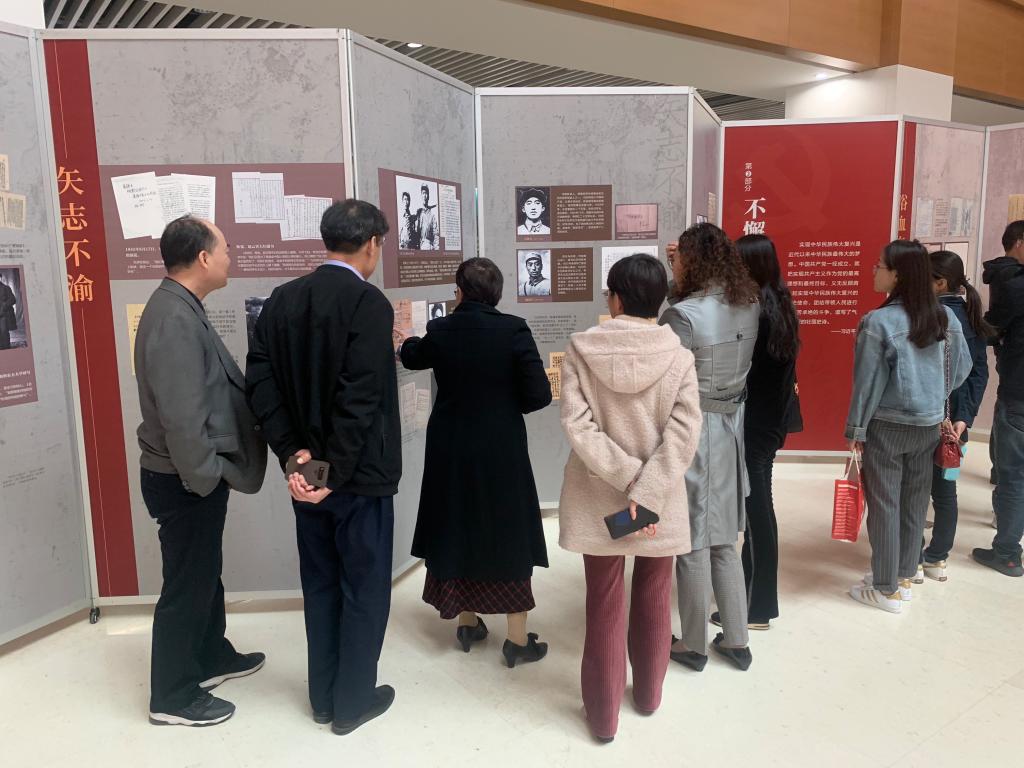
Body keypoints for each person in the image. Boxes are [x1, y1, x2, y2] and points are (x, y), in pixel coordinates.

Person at [245, 199, 401, 734]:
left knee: (320, 586)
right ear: (372, 244)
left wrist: (296, 457)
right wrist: (331, 471)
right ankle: (352, 701)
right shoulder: (369, 304)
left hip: (305, 477)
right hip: (358, 478)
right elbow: (360, 400)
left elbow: (260, 383)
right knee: (364, 589)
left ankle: (323, 698)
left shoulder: (282, 300)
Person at [559, 253, 701, 743]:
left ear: (616, 298)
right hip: (658, 502)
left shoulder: (581, 349)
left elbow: (578, 426)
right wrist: (648, 489)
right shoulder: (679, 356)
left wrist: (626, 480)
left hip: (599, 497)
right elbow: (684, 434)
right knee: (656, 593)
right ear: (659, 300)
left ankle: (603, 719)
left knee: (602, 601)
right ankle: (649, 697)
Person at [135, 215, 267, 727]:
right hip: (185, 478)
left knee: (204, 573)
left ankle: (210, 656)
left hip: (191, 474)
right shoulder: (174, 317)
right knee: (186, 585)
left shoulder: (182, 306)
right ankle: (171, 696)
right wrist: (205, 477)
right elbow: (182, 416)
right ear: (204, 257)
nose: (231, 257)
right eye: (226, 248)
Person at [399, 257, 552, 667]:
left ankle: (467, 623)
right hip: (501, 447)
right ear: (496, 294)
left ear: (460, 292)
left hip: (449, 446)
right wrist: (504, 406)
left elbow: (412, 356)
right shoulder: (514, 330)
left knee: (457, 522)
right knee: (507, 528)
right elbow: (539, 395)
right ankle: (517, 640)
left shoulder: (441, 330)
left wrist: (403, 342)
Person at [846, 240, 970, 613]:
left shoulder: (878, 322)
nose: (873, 270)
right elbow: (961, 370)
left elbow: (866, 385)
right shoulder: (944, 318)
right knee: (914, 503)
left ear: (898, 275)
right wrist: (934, 394)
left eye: (879, 265)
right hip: (929, 424)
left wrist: (856, 431)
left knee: (884, 506)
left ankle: (885, 588)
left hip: (886, 425)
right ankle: (902, 577)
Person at [660, 223, 759, 671]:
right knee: (723, 539)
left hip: (693, 429)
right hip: (732, 426)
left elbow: (667, 383)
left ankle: (694, 644)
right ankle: (736, 639)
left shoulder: (681, 316)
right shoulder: (749, 303)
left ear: (692, 260)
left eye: (680, 257)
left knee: (692, 542)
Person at [733, 234, 802, 630]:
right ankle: (750, 597)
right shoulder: (779, 302)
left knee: (757, 511)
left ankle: (758, 607)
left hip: (756, 423)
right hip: (771, 422)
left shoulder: (756, 312)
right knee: (760, 508)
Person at [920, 251, 990, 581]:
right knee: (946, 489)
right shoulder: (971, 314)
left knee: (916, 487)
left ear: (940, 283)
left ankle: (912, 556)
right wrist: (965, 417)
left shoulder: (935, 316)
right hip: (956, 424)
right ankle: (938, 558)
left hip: (931, 415)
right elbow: (979, 372)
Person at [975, 221, 1024, 576]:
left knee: (1013, 476)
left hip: (1018, 391)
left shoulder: (1009, 282)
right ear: (1019, 243)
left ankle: (1007, 553)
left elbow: (992, 328)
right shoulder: (1011, 279)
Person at [417, 185, 439, 250]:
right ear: (421, 196)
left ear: (428, 196)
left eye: (426, 193)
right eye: (423, 193)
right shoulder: (418, 214)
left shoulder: (432, 214)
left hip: (429, 247)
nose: (424, 195)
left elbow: (436, 235)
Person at [0, 273, 16, 350]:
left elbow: (13, 299)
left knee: (4, 332)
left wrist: (4, 305)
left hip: (3, 314)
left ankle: (6, 349)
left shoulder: (6, 288)